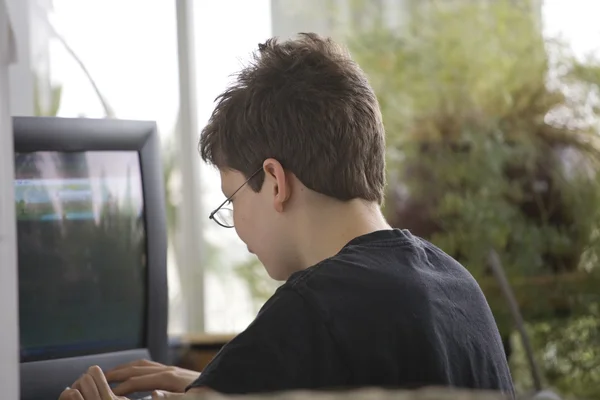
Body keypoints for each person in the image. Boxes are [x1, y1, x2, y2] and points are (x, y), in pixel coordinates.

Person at [59, 33, 515, 400]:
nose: (235, 226)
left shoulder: (310, 311)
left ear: (275, 181)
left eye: (231, 198)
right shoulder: (456, 284)